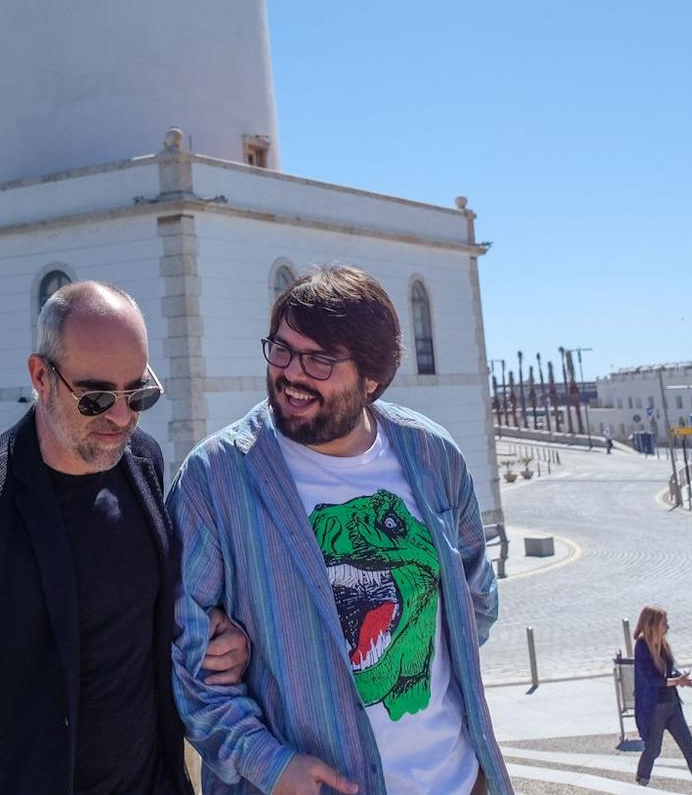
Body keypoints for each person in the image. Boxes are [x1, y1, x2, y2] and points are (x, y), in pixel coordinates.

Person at [0, 280, 249, 793]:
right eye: (96, 397)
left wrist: (212, 633)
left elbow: (140, 614)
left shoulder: (144, 461)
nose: (121, 416)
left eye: (138, 392)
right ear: (41, 376)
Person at [171, 265, 511, 795]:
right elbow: (187, 661)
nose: (291, 373)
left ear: (372, 379)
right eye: (281, 349)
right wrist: (270, 763)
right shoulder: (214, 479)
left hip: (459, 780)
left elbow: (475, 602)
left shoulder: (432, 454)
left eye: (319, 360)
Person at [630, 605, 692, 792]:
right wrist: (677, 681)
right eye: (664, 622)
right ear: (652, 624)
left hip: (673, 705)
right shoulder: (642, 646)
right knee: (653, 750)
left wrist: (682, 678)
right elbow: (651, 679)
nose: (667, 626)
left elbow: (671, 668)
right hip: (655, 708)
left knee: (690, 749)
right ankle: (642, 781)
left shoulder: (663, 644)